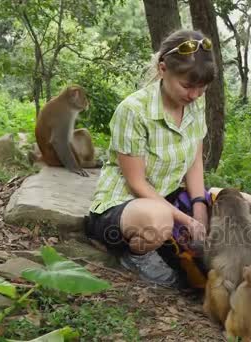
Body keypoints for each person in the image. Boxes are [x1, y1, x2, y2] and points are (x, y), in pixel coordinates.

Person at [86, 29, 216, 289]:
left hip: (167, 197)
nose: (194, 95)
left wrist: (199, 207)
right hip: (126, 205)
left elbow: (194, 159)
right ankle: (136, 256)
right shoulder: (133, 110)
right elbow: (137, 183)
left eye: (202, 88)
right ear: (162, 68)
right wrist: (187, 220)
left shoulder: (195, 103)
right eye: (188, 86)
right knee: (159, 221)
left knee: (239, 203)